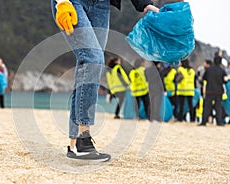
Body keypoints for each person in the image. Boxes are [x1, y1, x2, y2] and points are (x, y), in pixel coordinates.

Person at [51, 0, 159, 161]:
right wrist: (61, 2)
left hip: (101, 5)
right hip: (72, 2)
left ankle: (74, 145)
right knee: (93, 59)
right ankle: (83, 139)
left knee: (87, 65)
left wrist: (144, 3)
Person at [199, 52, 228, 126]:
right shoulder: (222, 71)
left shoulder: (209, 69)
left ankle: (203, 122)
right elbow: (225, 81)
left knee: (207, 107)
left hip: (209, 91)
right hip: (219, 91)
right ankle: (219, 122)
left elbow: (204, 78)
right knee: (218, 107)